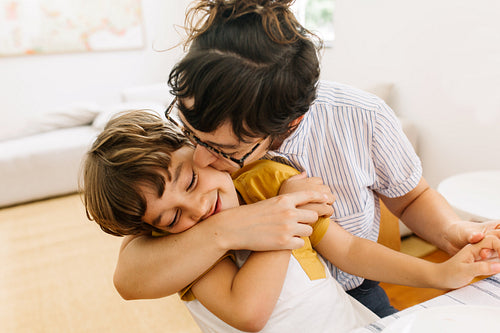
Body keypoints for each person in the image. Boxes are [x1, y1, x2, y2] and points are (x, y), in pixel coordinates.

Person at [113, 0, 500, 317]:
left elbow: (411, 198)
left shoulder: (363, 117)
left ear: (290, 123)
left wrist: (452, 233)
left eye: (223, 150)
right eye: (187, 129)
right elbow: (130, 275)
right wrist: (234, 228)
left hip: (357, 291)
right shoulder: (182, 164)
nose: (198, 157)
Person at [83, 110, 500, 333]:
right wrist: (282, 218)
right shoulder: (186, 249)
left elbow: (350, 250)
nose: (195, 209)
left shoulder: (267, 182)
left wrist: (439, 273)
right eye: (171, 215)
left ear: (197, 147)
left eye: (190, 180)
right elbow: (249, 314)